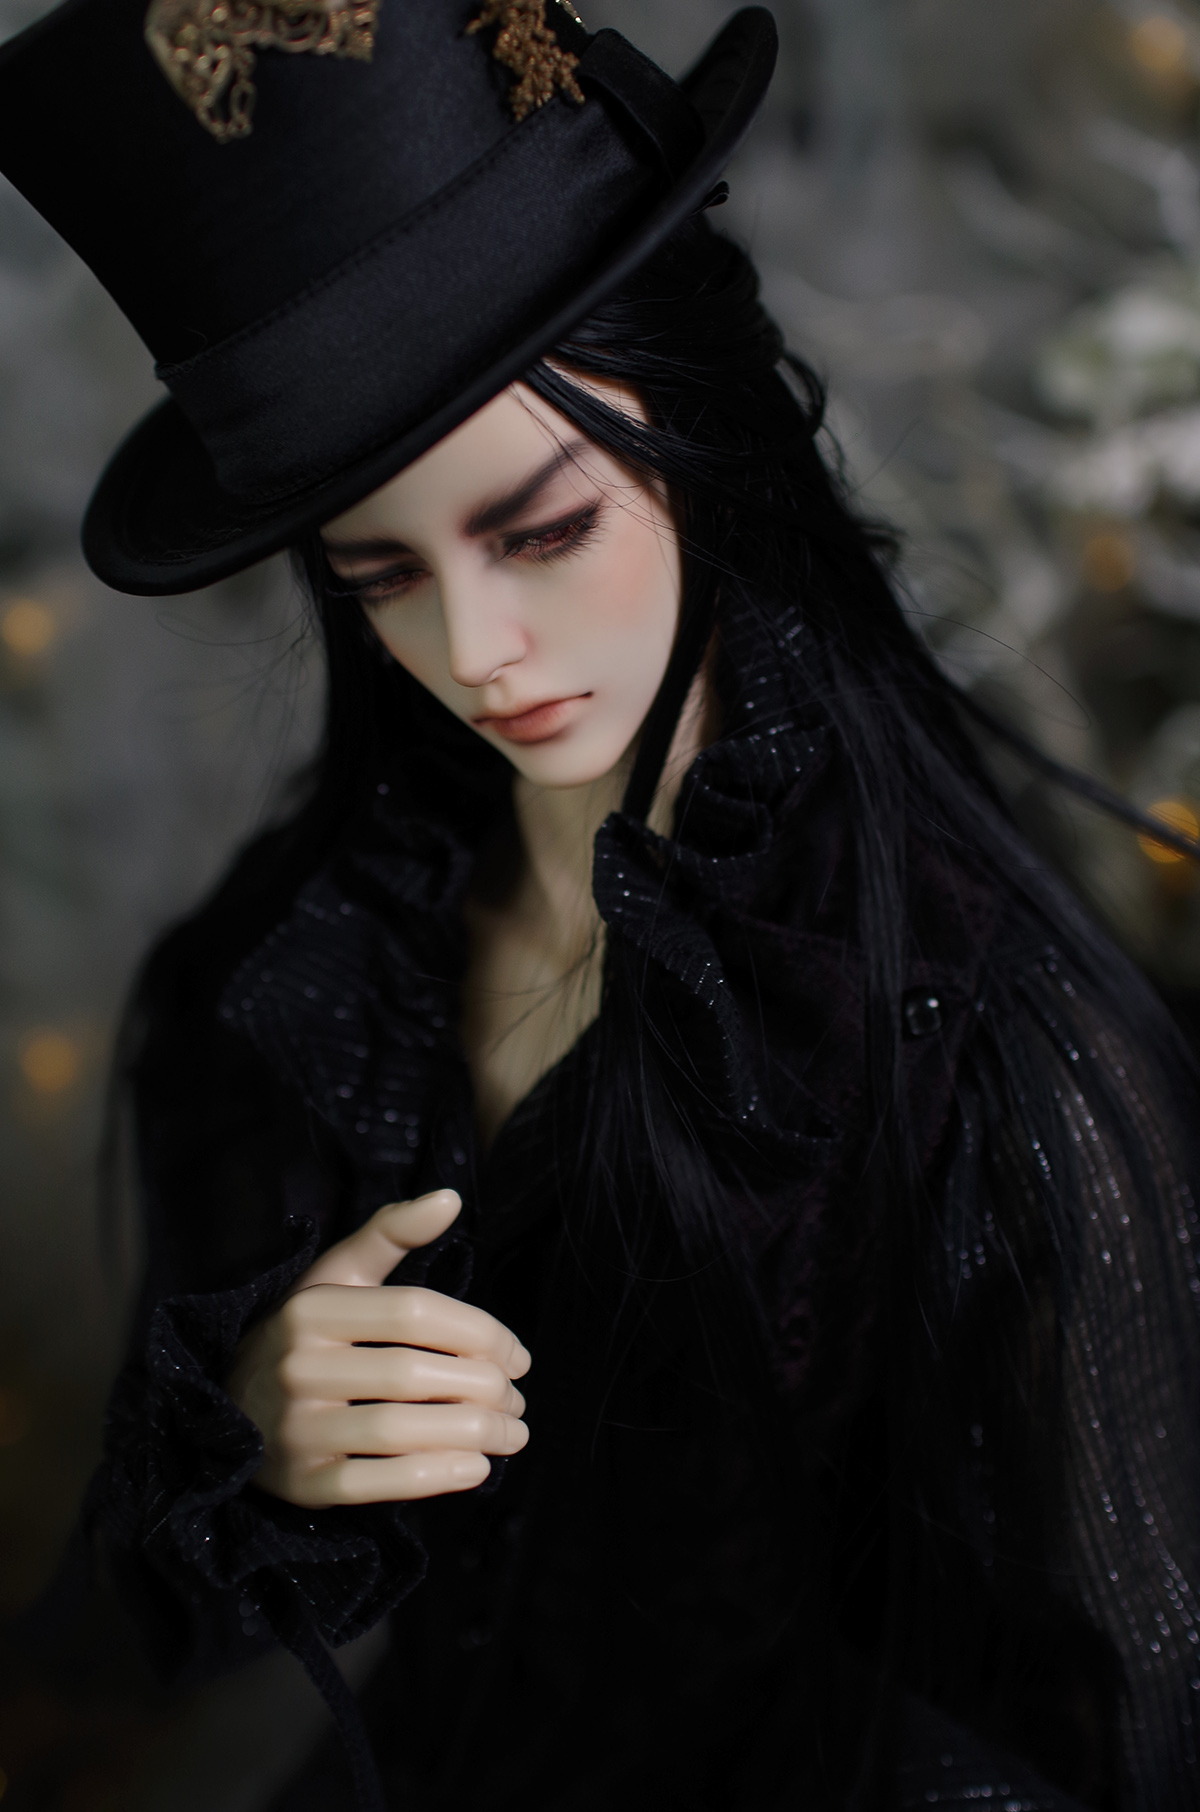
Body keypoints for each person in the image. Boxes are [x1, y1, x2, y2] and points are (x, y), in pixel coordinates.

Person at [1, 1, 1198, 1807]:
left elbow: (1123, 1717)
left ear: (701, 434)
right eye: (378, 575)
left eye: (544, 528)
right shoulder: (311, 965)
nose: (475, 649)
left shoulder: (988, 1037)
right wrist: (252, 1436)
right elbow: (130, 1637)